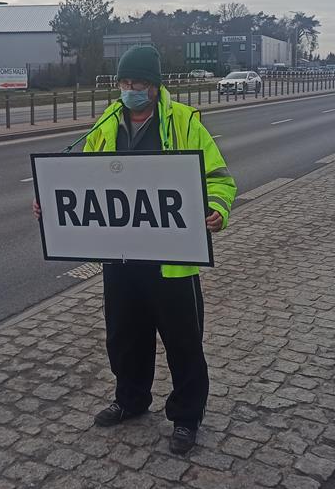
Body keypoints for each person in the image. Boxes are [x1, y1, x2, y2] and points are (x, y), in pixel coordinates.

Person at [33, 46, 236, 454]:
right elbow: (82, 177)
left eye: (138, 84)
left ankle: (186, 415)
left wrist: (215, 208)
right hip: (121, 255)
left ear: (156, 86)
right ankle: (131, 398)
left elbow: (218, 178)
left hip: (171, 259)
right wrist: (52, 205)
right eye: (124, 84)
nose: (130, 91)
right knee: (124, 336)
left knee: (183, 341)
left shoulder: (185, 122)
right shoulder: (107, 122)